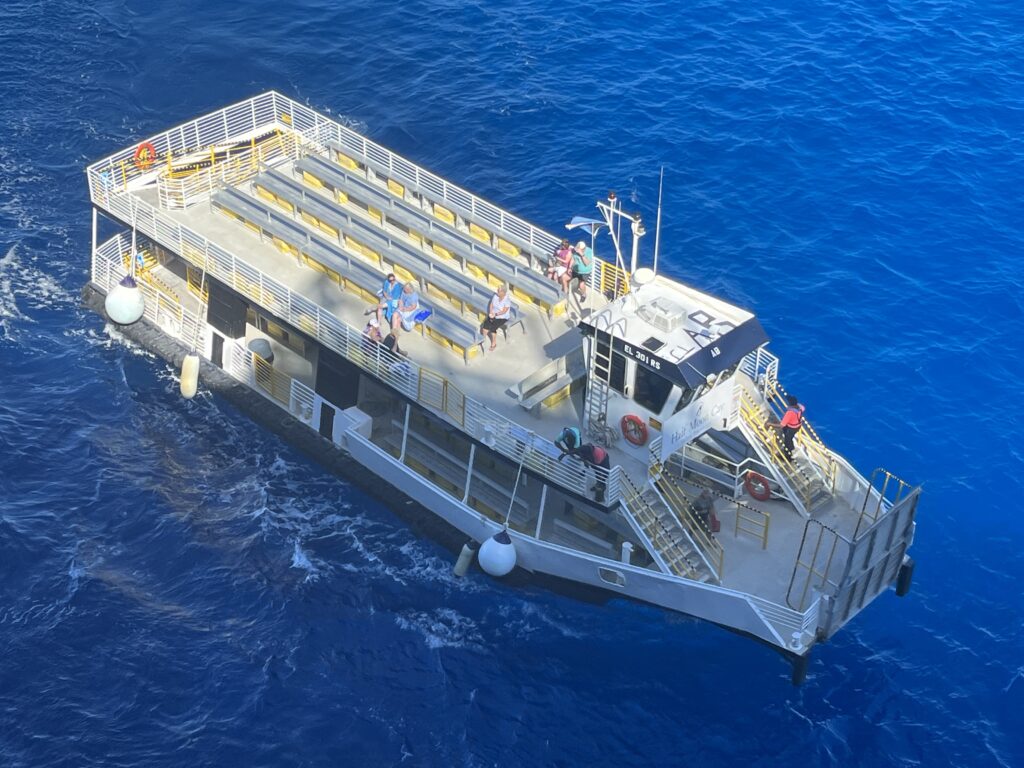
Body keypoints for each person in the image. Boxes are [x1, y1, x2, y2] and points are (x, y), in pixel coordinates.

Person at [769, 395, 805, 460]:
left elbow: (782, 425)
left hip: (791, 428)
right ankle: (791, 449)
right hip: (797, 426)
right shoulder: (800, 408)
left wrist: (770, 424)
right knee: (789, 437)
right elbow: (802, 407)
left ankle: (788, 457)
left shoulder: (790, 413)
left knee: (787, 441)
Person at [480, 284, 512, 351]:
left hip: (502, 317)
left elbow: (504, 311)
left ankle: (494, 343)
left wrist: (495, 314)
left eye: (499, 290)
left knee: (492, 328)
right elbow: (491, 304)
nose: (497, 291)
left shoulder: (507, 301)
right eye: (497, 290)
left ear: (503, 292)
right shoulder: (495, 296)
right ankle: (482, 339)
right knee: (485, 325)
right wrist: (491, 312)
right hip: (493, 313)